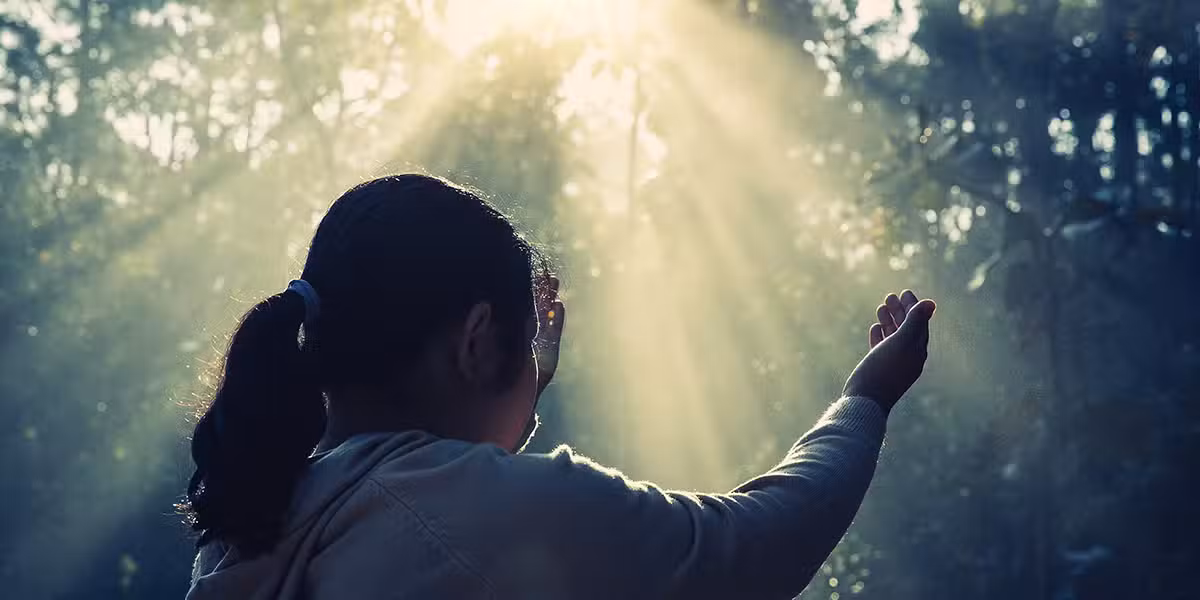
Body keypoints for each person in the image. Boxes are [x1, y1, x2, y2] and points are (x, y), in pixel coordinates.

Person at [182, 174, 936, 600]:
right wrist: (866, 397)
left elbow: (436, 501)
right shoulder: (477, 512)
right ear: (476, 342)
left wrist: (514, 394)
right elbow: (753, 547)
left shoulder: (257, 524)